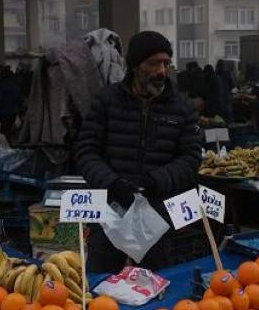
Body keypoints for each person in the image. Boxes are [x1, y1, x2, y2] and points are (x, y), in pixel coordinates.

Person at [75, 30, 202, 273]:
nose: (161, 71)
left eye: (166, 63)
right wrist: (112, 183)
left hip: (156, 214)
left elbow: (191, 158)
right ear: (134, 66)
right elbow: (85, 150)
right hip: (111, 209)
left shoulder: (181, 107)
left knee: (154, 285)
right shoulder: (107, 100)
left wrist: (157, 180)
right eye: (153, 63)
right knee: (100, 283)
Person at [0, 66, 21, 139]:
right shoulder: (15, 85)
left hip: (2, 112)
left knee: (3, 131)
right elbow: (18, 99)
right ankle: (10, 144)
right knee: (8, 130)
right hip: (13, 111)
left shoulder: (0, 86)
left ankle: (6, 146)